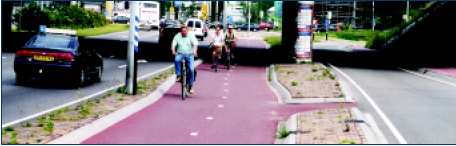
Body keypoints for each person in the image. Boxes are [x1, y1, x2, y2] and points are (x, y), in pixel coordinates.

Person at [171, 25, 198, 94]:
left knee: (191, 69)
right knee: (176, 60)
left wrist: (194, 51)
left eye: (185, 31)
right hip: (180, 53)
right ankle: (178, 75)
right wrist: (173, 51)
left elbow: (195, 44)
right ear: (180, 32)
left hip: (189, 55)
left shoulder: (191, 35)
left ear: (187, 31)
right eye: (182, 31)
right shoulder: (177, 36)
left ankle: (191, 86)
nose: (184, 33)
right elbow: (173, 44)